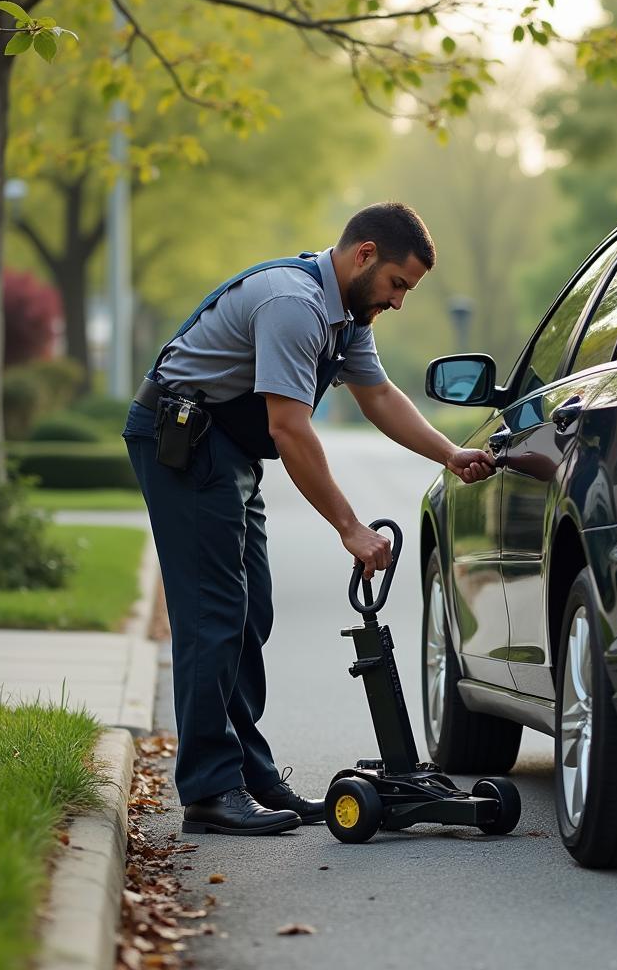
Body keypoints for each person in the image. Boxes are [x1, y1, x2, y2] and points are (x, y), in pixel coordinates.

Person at [122, 202, 495, 836]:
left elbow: (378, 395)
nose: (400, 301)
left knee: (250, 612)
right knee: (213, 615)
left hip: (228, 450)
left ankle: (252, 776)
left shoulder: (347, 317)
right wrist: (349, 526)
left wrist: (452, 453)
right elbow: (289, 428)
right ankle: (210, 792)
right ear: (365, 255)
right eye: (398, 284)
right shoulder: (292, 303)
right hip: (184, 444)